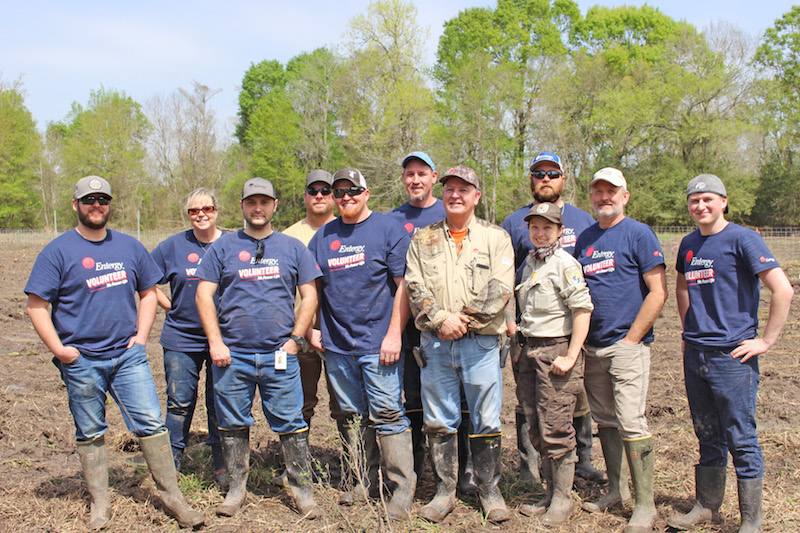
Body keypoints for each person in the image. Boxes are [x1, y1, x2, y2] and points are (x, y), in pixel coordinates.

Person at [24, 176, 204, 530]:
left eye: (103, 199)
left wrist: (140, 337)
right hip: (82, 360)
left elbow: (149, 292)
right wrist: (61, 351)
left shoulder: (128, 247)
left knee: (152, 424)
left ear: (109, 204)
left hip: (127, 357)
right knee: (90, 431)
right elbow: (36, 305)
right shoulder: (58, 251)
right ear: (76, 205)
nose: (96, 205)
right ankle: (100, 505)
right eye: (89, 199)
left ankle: (174, 499)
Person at [667, 174, 793, 533]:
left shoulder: (743, 238)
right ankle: (706, 506)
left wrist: (764, 341)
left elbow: (782, 291)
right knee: (706, 433)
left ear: (723, 201)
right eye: (694, 201)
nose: (701, 206)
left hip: (733, 357)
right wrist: (689, 330)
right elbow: (682, 288)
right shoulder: (689, 243)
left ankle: (751, 518)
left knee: (741, 437)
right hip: (697, 354)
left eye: (708, 199)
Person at [195, 177, 321, 519]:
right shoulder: (222, 248)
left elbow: (310, 295)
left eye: (264, 202)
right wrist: (216, 342)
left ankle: (302, 492)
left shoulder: (293, 248)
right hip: (232, 356)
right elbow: (203, 294)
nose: (258, 208)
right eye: (251, 202)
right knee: (233, 423)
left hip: (279, 355)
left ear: (274, 205)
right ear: (242, 206)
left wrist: (296, 339)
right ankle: (237, 489)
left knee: (291, 422)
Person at [405, 165, 515, 524]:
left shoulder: (495, 237)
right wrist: (441, 320)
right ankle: (444, 492)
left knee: (485, 418)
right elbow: (414, 286)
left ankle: (489, 490)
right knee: (438, 421)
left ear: (476, 197)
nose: (455, 195)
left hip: (480, 345)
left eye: (464, 190)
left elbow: (500, 287)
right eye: (450, 188)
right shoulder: (423, 238)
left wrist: (461, 320)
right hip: (435, 345)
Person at [307, 167, 416, 520]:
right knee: (352, 416)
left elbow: (404, 286)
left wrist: (394, 334)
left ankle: (401, 489)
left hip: (378, 343)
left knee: (387, 413)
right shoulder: (322, 237)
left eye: (353, 190)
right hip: (337, 346)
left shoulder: (388, 230)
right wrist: (313, 328)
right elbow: (313, 290)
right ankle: (363, 479)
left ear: (366, 193)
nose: (346, 197)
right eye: (339, 192)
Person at [501, 152, 604, 485]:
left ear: (563, 179)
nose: (545, 178)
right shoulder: (514, 222)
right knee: (529, 400)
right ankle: (531, 467)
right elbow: (507, 279)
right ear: (530, 179)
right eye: (538, 173)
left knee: (572, 399)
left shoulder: (584, 220)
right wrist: (513, 328)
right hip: (529, 331)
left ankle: (581, 462)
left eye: (552, 173)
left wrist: (577, 343)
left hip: (569, 330)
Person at [574, 167, 667, 533]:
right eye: (597, 192)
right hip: (594, 346)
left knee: (631, 420)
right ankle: (616, 489)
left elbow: (657, 292)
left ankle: (645, 505)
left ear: (625, 196)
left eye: (611, 191)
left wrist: (632, 339)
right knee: (606, 420)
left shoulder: (639, 234)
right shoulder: (586, 238)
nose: (603, 197)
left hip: (626, 346)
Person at [388, 151, 477, 490]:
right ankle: (417, 467)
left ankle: (465, 469)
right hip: (414, 327)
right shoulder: (391, 219)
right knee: (413, 398)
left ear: (433, 176)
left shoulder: (451, 209)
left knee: (463, 399)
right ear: (403, 179)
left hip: (459, 327)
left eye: (422, 173)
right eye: (409, 173)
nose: (416, 180)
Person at [514, 203, 594, 525]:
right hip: (530, 352)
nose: (540, 232)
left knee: (557, 426)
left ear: (560, 231)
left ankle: (562, 498)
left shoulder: (565, 264)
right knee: (535, 424)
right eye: (535, 226)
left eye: (547, 227)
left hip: (556, 351)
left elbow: (582, 311)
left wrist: (571, 356)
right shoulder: (529, 264)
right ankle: (549, 493)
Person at [151, 188, 226, 486]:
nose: (201, 215)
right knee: (179, 403)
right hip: (182, 338)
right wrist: (171, 304)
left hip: (223, 338)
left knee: (220, 402)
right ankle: (172, 468)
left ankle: (222, 465)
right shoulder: (172, 247)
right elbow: (145, 280)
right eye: (194, 211)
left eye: (206, 209)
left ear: (216, 211)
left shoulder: (231, 244)